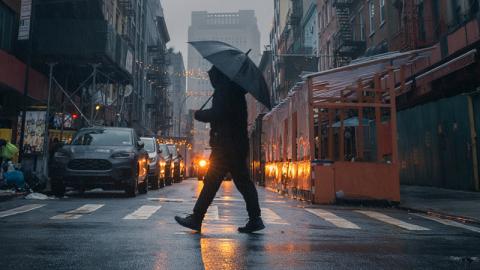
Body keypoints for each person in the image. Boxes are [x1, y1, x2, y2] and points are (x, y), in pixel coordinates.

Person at [175, 66, 265, 233]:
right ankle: (255, 219)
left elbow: (218, 113)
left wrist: (199, 115)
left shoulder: (225, 89)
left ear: (218, 75)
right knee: (241, 182)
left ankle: (197, 218)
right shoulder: (233, 89)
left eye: (212, 75)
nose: (211, 79)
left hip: (226, 145)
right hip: (235, 144)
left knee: (212, 181)